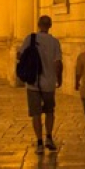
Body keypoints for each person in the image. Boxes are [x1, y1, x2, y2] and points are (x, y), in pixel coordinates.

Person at [18, 15, 63, 154]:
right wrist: (59, 78)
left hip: (33, 83)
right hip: (49, 83)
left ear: (38, 24)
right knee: (49, 111)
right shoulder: (54, 42)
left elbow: (19, 55)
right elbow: (58, 63)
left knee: (36, 113)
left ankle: (39, 142)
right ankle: (49, 137)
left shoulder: (30, 38)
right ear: (50, 25)